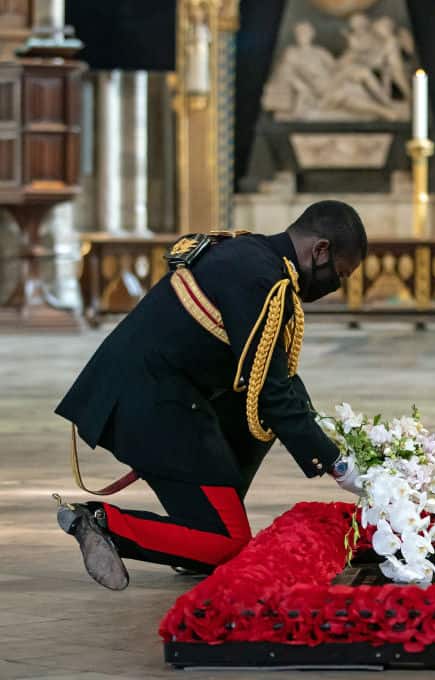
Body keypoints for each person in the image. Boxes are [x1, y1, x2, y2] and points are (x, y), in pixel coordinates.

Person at [54, 201, 367, 590]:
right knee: (229, 545)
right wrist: (338, 466)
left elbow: (277, 376)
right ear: (320, 250)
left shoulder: (254, 256)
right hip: (148, 401)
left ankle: (192, 541)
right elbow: (272, 392)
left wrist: (332, 438)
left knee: (257, 421)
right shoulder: (261, 279)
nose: (335, 285)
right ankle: (101, 522)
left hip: (163, 391)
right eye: (338, 274)